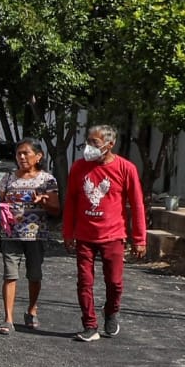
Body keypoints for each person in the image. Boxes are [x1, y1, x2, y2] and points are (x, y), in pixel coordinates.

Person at [61, 125, 145, 341]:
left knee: (115, 282)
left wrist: (139, 239)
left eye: (95, 143)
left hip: (113, 236)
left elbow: (137, 205)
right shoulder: (79, 167)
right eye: (88, 141)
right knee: (84, 281)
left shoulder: (126, 169)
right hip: (84, 236)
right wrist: (68, 232)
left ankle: (111, 312)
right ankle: (89, 325)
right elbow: (70, 201)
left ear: (110, 144)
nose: (89, 147)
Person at [0, 139, 59, 333]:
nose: (21, 157)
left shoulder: (47, 180)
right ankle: (8, 319)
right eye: (18, 154)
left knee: (34, 275)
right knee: (10, 275)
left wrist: (44, 202)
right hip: (11, 234)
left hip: (36, 235)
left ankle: (31, 310)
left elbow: (56, 209)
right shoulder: (8, 178)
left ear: (38, 156)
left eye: (26, 153)